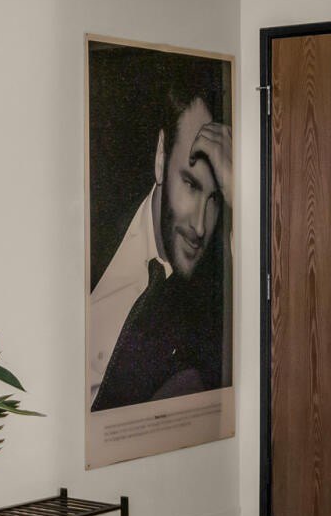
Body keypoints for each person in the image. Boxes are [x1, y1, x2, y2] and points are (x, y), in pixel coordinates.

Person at [86, 79, 231, 410]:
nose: (200, 226)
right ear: (161, 158)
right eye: (191, 184)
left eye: (216, 199)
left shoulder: (209, 310)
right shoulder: (96, 208)